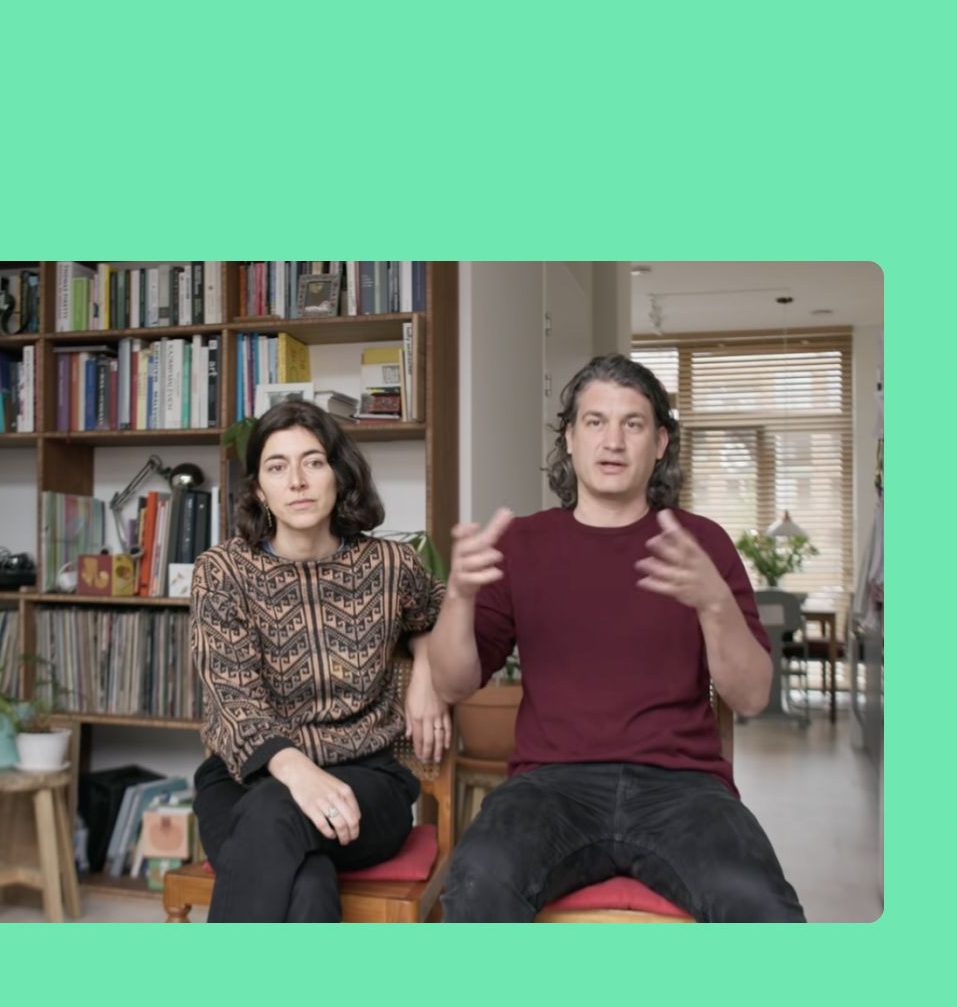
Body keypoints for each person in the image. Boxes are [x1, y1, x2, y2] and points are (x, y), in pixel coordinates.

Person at [426, 354, 805, 922]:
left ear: (660, 443)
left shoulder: (701, 543)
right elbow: (453, 682)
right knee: (479, 882)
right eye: (595, 421)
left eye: (633, 423)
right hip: (550, 788)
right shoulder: (523, 544)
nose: (613, 440)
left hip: (683, 789)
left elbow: (750, 696)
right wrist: (457, 596)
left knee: (760, 903)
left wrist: (712, 601)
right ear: (570, 438)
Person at [189, 399, 449, 921]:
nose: (298, 481)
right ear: (259, 489)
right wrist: (299, 773)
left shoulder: (391, 564)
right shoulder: (221, 572)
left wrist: (425, 668)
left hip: (366, 782)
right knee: (306, 880)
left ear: (338, 472)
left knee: (272, 816)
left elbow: (444, 620)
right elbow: (233, 701)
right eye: (277, 467)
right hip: (246, 779)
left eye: (313, 461)